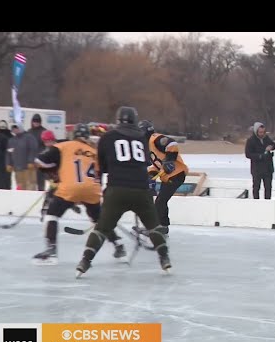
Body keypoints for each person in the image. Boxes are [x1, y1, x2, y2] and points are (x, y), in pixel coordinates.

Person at [76, 106, 171, 277]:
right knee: (153, 226)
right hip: (141, 189)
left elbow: (103, 167)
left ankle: (85, 261)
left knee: (102, 228)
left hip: (117, 189)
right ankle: (165, 259)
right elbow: (145, 162)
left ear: (118, 120)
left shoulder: (108, 137)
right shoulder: (142, 138)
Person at [32, 123, 125, 264]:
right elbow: (100, 173)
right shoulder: (94, 152)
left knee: (52, 214)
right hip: (92, 190)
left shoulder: (63, 146)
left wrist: (54, 174)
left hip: (70, 187)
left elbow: (39, 161)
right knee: (99, 220)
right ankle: (118, 245)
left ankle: (51, 251)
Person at [138, 119, 189, 235]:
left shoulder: (154, 138)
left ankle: (159, 227)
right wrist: (150, 176)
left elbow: (172, 144)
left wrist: (169, 161)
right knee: (161, 201)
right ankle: (163, 226)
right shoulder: (147, 146)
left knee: (160, 201)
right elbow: (157, 165)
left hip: (176, 173)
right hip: (169, 176)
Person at [244, 122, 275, 199]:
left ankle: (268, 203)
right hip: (257, 168)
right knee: (256, 187)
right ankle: (256, 203)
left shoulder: (266, 138)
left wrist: (271, 147)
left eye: (263, 132)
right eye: (260, 132)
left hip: (268, 168)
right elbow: (248, 154)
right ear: (256, 131)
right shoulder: (251, 140)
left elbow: (273, 145)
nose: (262, 134)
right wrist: (260, 156)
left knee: (268, 188)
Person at [6, 124, 38, 190]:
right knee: (20, 187)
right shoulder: (11, 140)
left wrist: (31, 161)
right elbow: (9, 153)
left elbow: (33, 149)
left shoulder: (29, 137)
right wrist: (8, 163)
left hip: (28, 168)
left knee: (30, 186)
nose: (15, 130)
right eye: (14, 128)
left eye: (17, 128)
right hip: (17, 169)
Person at [28, 113, 47, 191]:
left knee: (40, 181)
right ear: (32, 122)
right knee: (31, 181)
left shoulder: (44, 131)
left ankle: (41, 192)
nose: (36, 123)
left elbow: (47, 145)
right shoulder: (29, 132)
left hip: (40, 159)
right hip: (31, 159)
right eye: (35, 121)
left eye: (38, 121)